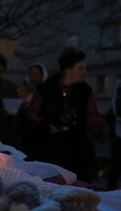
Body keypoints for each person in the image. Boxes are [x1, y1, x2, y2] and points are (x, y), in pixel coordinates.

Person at [29, 48, 101, 181]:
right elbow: (32, 113)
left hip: (77, 151)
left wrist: (76, 123)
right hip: (49, 149)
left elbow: (95, 117)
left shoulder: (85, 91)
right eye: (80, 68)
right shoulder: (46, 88)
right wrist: (47, 125)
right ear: (68, 69)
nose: (84, 72)